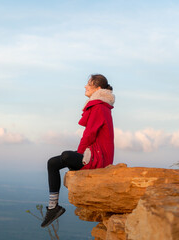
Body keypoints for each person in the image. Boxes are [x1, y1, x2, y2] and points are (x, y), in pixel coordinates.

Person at [41, 74, 115, 228]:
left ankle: (77, 171)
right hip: (93, 154)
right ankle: (53, 207)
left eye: (88, 83)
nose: (85, 86)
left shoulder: (99, 106)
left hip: (98, 158)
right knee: (52, 162)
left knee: (67, 155)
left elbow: (89, 135)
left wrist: (79, 155)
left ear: (98, 88)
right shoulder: (100, 106)